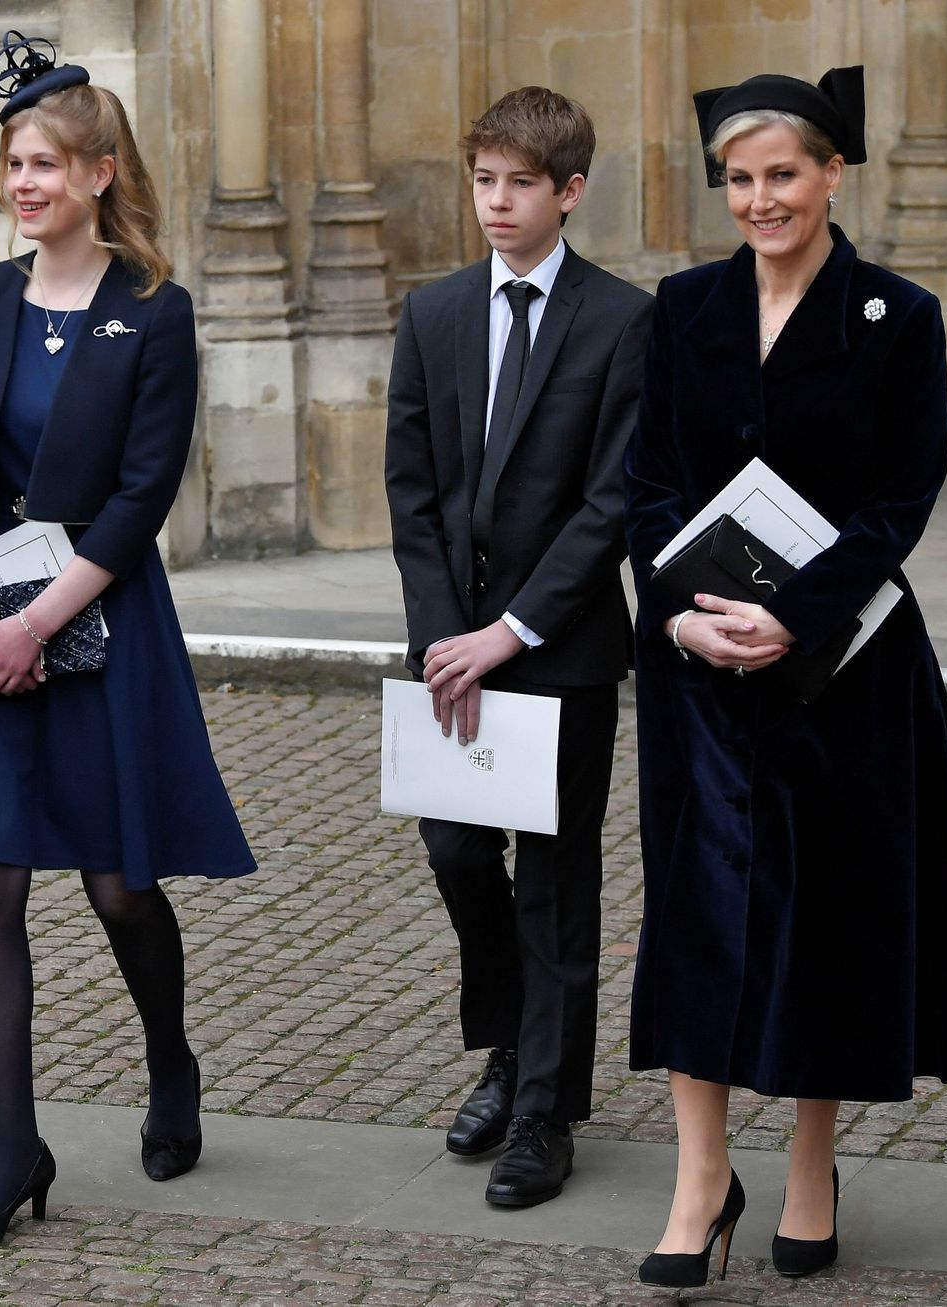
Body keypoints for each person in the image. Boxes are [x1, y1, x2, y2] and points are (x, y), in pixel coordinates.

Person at [623, 67, 947, 1289]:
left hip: (845, 674)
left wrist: (789, 617)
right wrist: (683, 620)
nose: (757, 198)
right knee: (694, 921)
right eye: (737, 179)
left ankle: (805, 1163)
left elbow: (902, 496)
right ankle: (697, 1178)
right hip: (696, 674)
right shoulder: (679, 309)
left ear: (832, 171)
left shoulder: (898, 314)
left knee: (827, 922)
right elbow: (645, 488)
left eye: (780, 173)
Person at [0, 33, 256, 1255]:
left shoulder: (153, 313)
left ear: (101, 171)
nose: (24, 184)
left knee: (117, 884)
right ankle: (14, 1148)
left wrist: (41, 622)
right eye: (12, 164)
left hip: (101, 624)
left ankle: (170, 1058)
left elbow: (141, 493)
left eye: (45, 163)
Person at [384, 87, 652, 1210]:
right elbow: (410, 489)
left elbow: (611, 502)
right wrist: (449, 633)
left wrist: (509, 631)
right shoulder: (433, 310)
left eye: (520, 184)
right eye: (483, 180)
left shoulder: (622, 320)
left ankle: (542, 1109)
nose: (496, 203)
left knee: (553, 883)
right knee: (454, 854)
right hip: (449, 646)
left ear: (569, 192)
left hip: (559, 647)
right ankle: (506, 1041)